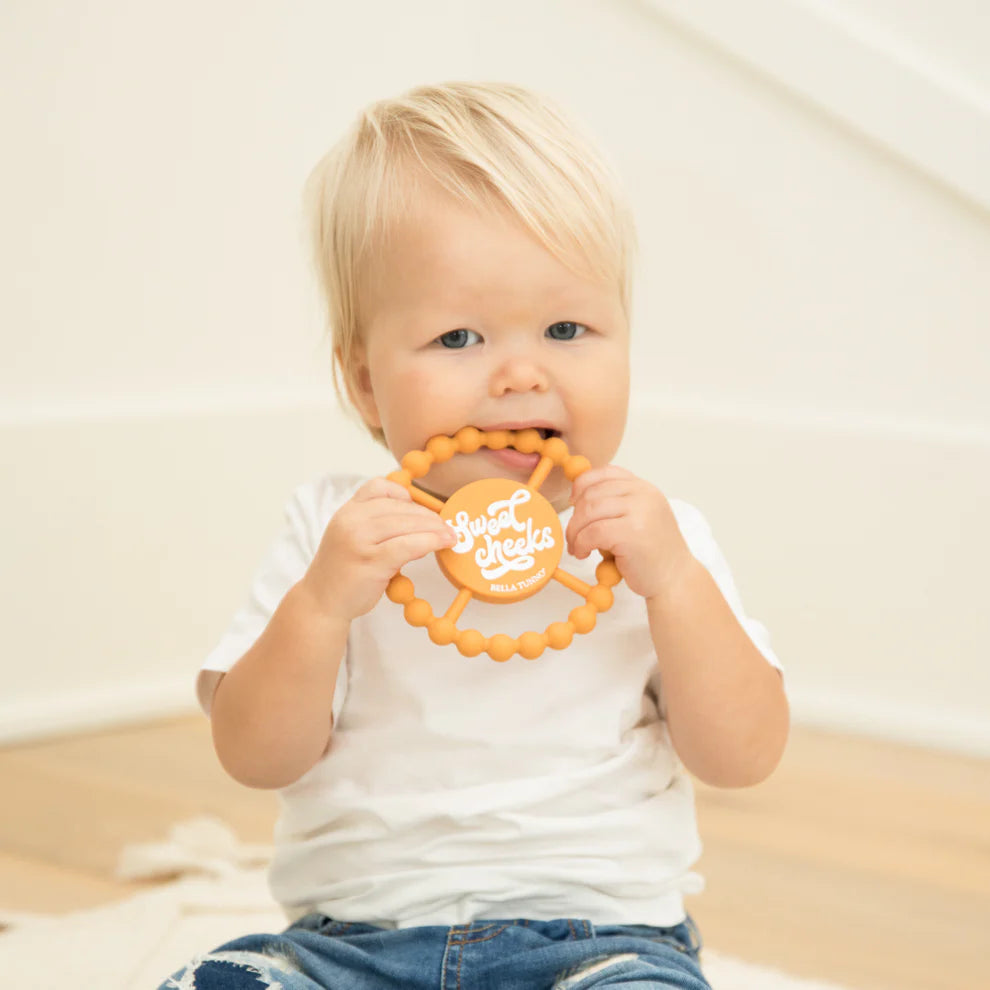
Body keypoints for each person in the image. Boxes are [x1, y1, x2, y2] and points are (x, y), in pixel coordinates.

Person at [161, 81, 789, 990]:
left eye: (568, 328)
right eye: (459, 337)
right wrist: (322, 606)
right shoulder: (331, 532)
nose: (521, 373)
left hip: (602, 940)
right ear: (368, 384)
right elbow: (255, 757)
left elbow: (745, 756)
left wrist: (680, 589)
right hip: (349, 943)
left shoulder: (660, 537)